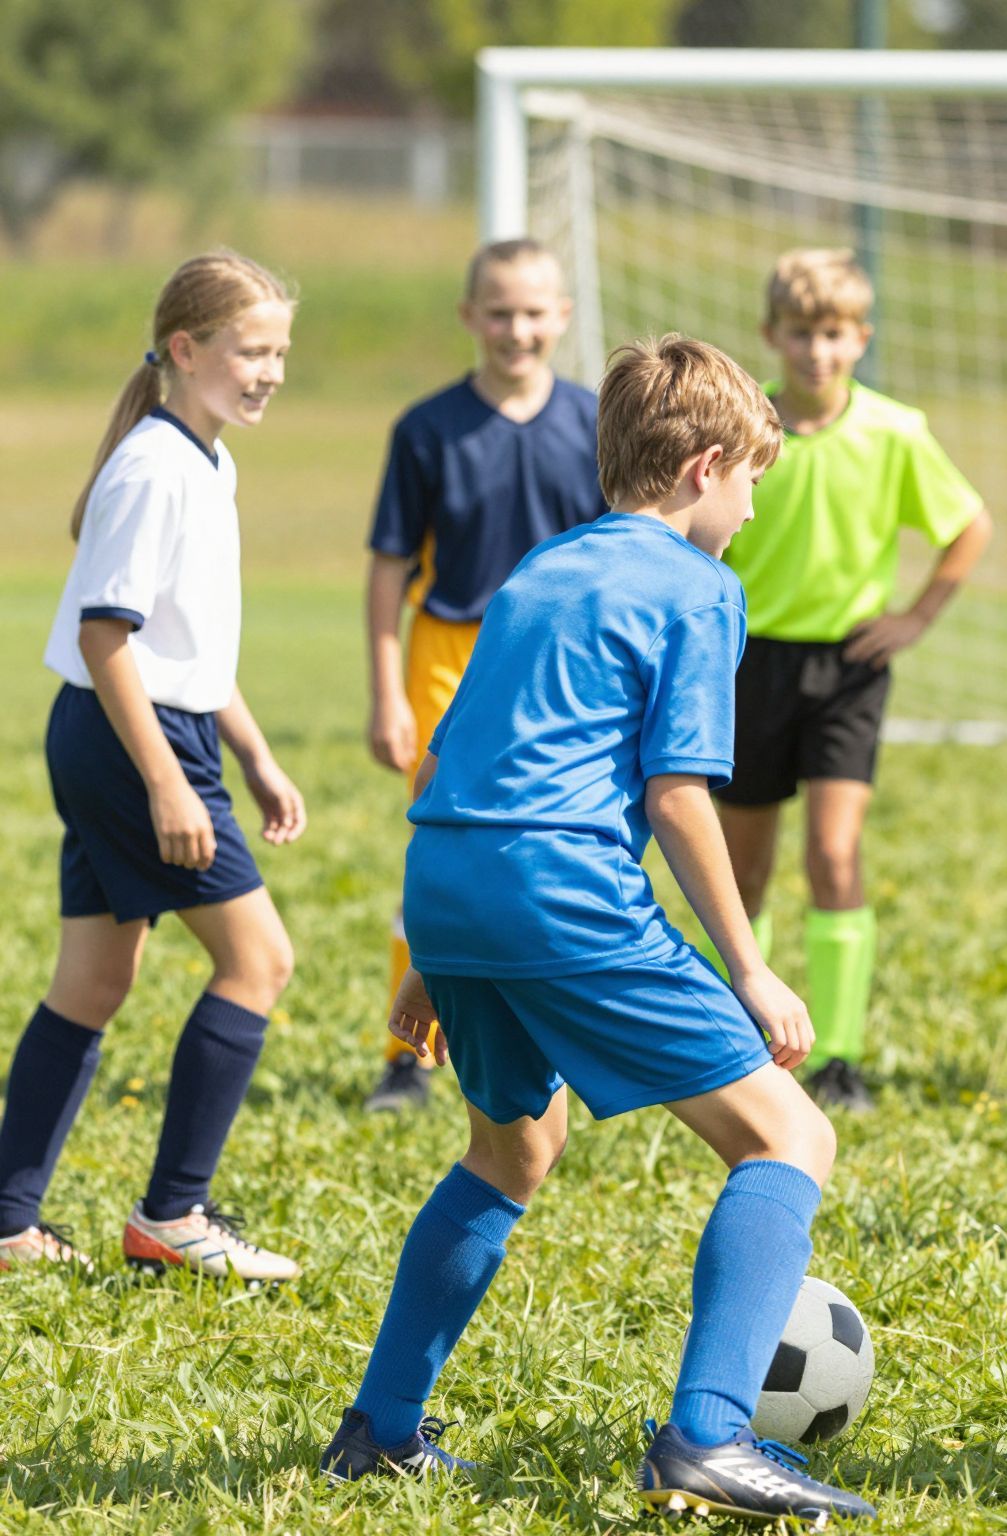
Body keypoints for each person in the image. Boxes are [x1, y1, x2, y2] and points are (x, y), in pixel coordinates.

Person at [320, 335, 873, 1524]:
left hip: (449, 876)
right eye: (753, 484)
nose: (750, 508)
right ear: (705, 468)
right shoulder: (698, 587)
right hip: (558, 887)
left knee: (511, 1152)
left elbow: (466, 753)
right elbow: (678, 793)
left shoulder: (540, 568)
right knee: (788, 1139)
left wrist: (430, 956)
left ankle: (381, 1427)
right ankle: (709, 1440)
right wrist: (751, 966)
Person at [0, 251, 304, 1283]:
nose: (267, 371)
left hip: (133, 734)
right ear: (185, 348)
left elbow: (190, 645)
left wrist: (254, 754)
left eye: (279, 353)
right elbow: (106, 638)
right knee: (258, 961)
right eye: (249, 350)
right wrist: (171, 783)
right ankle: (173, 1215)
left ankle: (7, 1223)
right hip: (132, 741)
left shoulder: (209, 460)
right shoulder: (155, 465)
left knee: (92, 981)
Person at [715, 249, 993, 1114]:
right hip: (748, 660)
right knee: (741, 869)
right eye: (800, 334)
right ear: (772, 336)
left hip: (848, 668)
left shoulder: (894, 431)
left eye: (834, 335)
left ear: (859, 339)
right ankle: (739, 1039)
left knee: (834, 854)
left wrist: (914, 617)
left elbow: (969, 524)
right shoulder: (743, 425)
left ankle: (838, 1056)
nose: (816, 352)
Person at [361, 238, 605, 1113]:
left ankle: (548, 1034)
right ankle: (405, 1060)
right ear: (469, 316)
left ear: (563, 318)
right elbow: (389, 569)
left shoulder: (592, 424)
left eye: (535, 311)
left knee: (546, 845)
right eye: (499, 311)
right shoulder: (426, 429)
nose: (517, 329)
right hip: (448, 657)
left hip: (553, 666)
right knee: (438, 849)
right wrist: (388, 690)